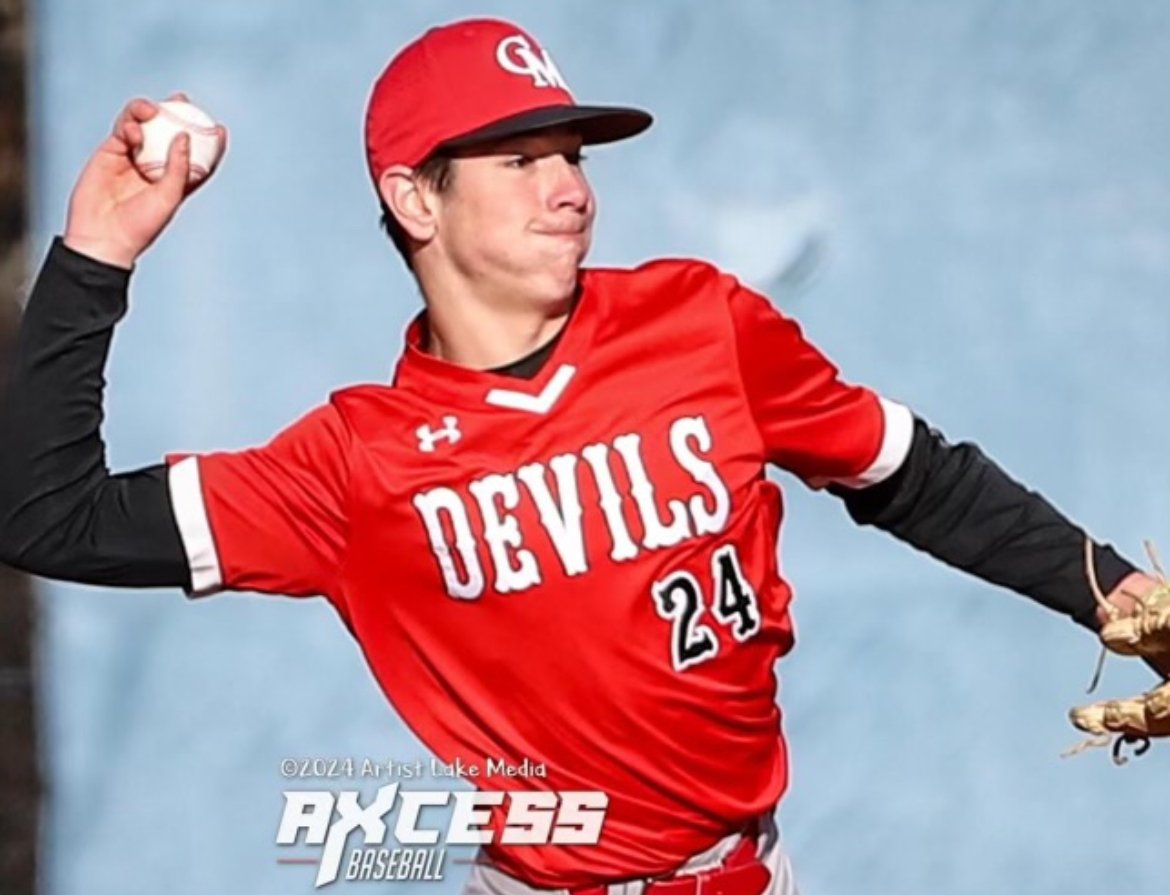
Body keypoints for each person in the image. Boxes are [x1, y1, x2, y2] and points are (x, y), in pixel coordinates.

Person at [0, 16, 1164, 895]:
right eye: (519, 160)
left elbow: (915, 476)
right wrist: (97, 254)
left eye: (575, 156)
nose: (568, 189)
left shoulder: (704, 324)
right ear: (415, 199)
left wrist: (1109, 587)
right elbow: (47, 515)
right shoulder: (355, 466)